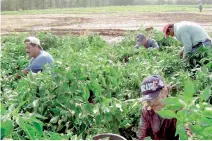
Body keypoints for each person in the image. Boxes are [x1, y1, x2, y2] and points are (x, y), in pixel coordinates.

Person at [136, 75, 192, 140]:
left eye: (155, 97)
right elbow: (141, 134)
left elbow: (188, 133)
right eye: (148, 100)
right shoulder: (146, 110)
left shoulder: (179, 107)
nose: (152, 103)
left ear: (165, 91)